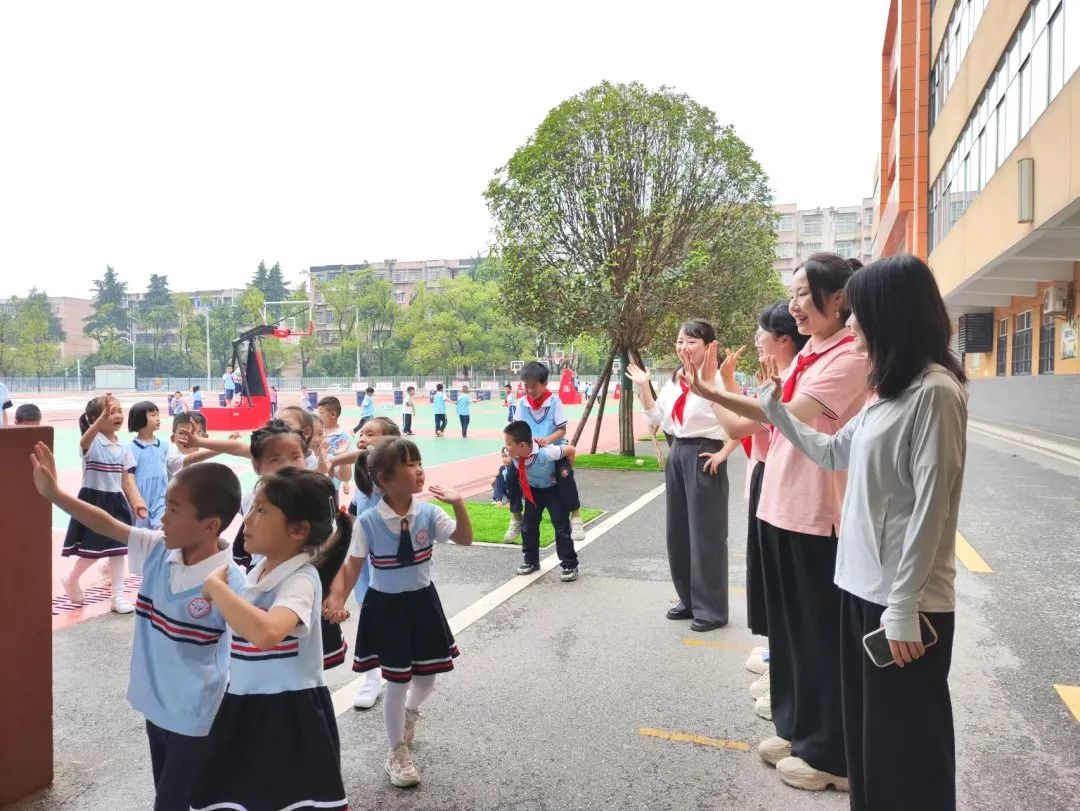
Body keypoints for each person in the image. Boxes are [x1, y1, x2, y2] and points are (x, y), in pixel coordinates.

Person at [756, 254, 966, 810]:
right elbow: (829, 450)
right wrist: (777, 412)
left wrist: (902, 604)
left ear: (891, 315)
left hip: (904, 602)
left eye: (858, 314)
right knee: (869, 739)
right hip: (857, 587)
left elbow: (931, 506)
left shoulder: (935, 393)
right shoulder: (887, 391)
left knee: (908, 744)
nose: (849, 326)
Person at [678, 253, 868, 791]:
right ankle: (797, 729)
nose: (795, 307)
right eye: (793, 295)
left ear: (838, 299)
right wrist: (715, 387)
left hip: (815, 515)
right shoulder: (812, 352)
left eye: (805, 295)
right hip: (780, 508)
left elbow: (787, 413)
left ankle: (832, 755)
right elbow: (756, 418)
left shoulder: (849, 357)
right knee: (789, 636)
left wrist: (712, 386)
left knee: (818, 638)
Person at [31, 446, 244, 811]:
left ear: (210, 525)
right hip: (154, 706)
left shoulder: (231, 582)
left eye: (174, 510)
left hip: (195, 716)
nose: (163, 517)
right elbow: (107, 524)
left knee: (173, 800)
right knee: (166, 788)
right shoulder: (160, 549)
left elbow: (254, 646)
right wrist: (54, 495)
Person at [189, 468, 350, 811]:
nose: (248, 518)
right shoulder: (258, 571)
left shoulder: (301, 580)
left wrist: (217, 588)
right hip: (245, 706)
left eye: (261, 510)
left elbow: (267, 633)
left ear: (298, 530)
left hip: (289, 718)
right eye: (252, 507)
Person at [327, 438, 473, 789]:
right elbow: (352, 566)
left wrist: (459, 505)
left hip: (422, 602)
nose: (419, 470)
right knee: (396, 680)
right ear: (383, 479)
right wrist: (338, 601)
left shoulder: (429, 513)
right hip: (387, 607)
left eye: (419, 462)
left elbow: (465, 539)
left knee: (427, 677)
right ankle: (397, 752)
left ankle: (409, 713)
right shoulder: (369, 522)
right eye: (409, 465)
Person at [708, 303, 809, 710]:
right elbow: (747, 417)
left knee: (787, 590)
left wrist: (709, 384)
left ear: (783, 338)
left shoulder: (796, 378)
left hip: (789, 489)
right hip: (769, 480)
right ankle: (781, 665)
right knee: (770, 584)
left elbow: (736, 424)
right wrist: (726, 381)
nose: (754, 338)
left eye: (761, 331)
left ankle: (790, 678)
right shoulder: (785, 376)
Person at [625, 319, 737, 633]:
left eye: (691, 342)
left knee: (707, 535)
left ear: (708, 346)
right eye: (679, 341)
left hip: (704, 454)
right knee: (678, 532)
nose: (683, 347)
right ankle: (688, 600)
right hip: (678, 453)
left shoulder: (717, 379)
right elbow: (657, 418)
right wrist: (644, 385)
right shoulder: (676, 380)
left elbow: (740, 419)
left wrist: (724, 452)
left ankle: (712, 610)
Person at [61, 395, 148, 614]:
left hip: (116, 502)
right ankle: (71, 578)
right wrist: (98, 422)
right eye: (110, 412)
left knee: (118, 550)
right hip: (93, 501)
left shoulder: (123, 447)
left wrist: (137, 501)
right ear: (94, 419)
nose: (118, 415)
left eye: (119, 410)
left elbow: (127, 479)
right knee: (93, 549)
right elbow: (83, 442)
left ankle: (117, 597)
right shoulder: (91, 442)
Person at [342, 416, 402, 710]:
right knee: (369, 622)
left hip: (393, 567)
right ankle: (370, 678)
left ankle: (399, 670)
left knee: (396, 623)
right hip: (365, 567)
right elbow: (354, 514)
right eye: (361, 434)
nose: (362, 438)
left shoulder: (393, 479)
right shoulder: (363, 482)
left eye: (370, 434)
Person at [503, 362, 586, 543]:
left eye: (534, 386)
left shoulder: (554, 402)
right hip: (528, 449)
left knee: (565, 473)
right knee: (510, 473)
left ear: (545, 384)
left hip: (553, 447)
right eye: (527, 386)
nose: (530, 390)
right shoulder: (522, 403)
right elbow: (517, 429)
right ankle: (516, 516)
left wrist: (547, 440)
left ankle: (576, 515)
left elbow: (562, 430)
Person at [503, 420, 580, 581]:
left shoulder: (547, 452)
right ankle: (531, 561)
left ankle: (569, 564)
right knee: (528, 527)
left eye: (509, 444)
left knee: (561, 528)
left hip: (553, 492)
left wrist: (566, 473)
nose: (506, 447)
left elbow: (571, 450)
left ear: (522, 445)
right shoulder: (514, 458)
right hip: (533, 493)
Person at [127, 401, 172, 530]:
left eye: (158, 415)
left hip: (161, 495)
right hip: (141, 496)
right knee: (142, 532)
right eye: (153, 415)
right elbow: (128, 479)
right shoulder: (131, 449)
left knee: (161, 528)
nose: (158, 418)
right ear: (140, 419)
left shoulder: (163, 446)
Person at [317, 396, 352, 493]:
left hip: (332, 486)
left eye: (321, 413)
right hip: (315, 482)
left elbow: (347, 460)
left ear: (333, 414)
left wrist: (345, 482)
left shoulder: (343, 438)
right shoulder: (317, 433)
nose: (318, 416)